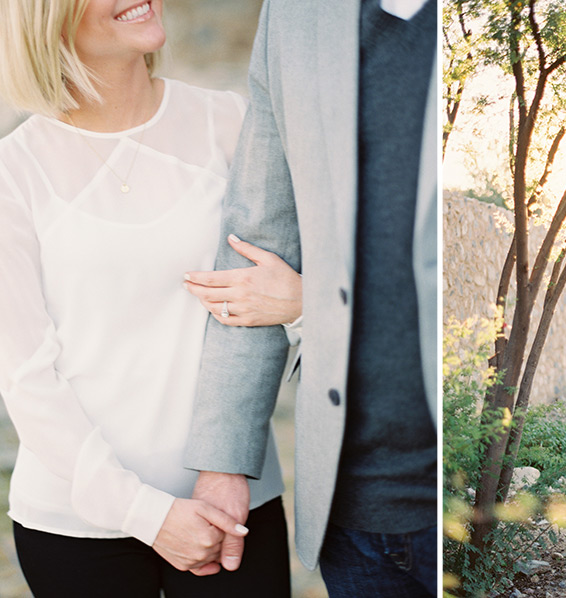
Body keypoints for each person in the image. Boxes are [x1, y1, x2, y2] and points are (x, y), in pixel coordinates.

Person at [0, 0, 293, 595]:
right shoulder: (14, 172)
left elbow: (297, 283)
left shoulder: (230, 123)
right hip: (75, 526)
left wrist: (303, 297)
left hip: (234, 501)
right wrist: (148, 516)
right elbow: (26, 377)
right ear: (45, 15)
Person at [182, 0, 438, 595]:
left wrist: (308, 305)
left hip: (455, 486)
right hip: (357, 512)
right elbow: (254, 245)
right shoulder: (293, 15)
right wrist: (222, 466)